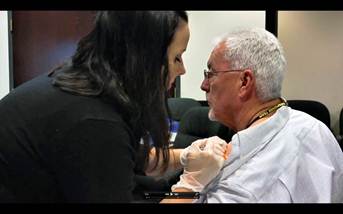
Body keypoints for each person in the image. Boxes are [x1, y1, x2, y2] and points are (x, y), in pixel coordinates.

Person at [0, 11, 226, 203]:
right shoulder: (93, 120)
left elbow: (126, 157)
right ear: (143, 58)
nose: (183, 70)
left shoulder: (91, 84)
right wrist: (192, 183)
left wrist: (184, 156)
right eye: (177, 57)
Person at [193, 27, 343, 203]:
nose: (204, 85)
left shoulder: (242, 190)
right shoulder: (314, 127)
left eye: (210, 73)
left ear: (244, 82)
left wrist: (190, 183)